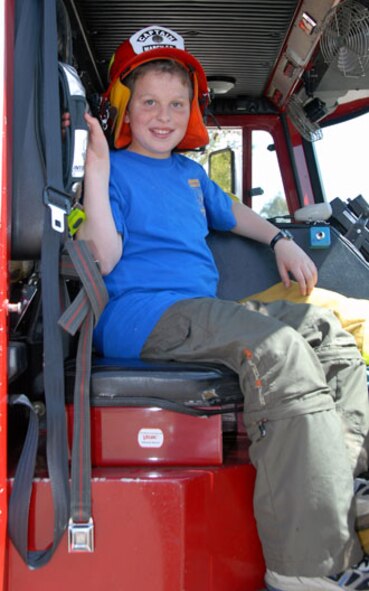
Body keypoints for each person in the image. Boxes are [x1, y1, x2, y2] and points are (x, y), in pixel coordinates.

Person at [78, 25, 369, 591]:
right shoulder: (111, 170)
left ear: (190, 111)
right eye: (149, 102)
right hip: (144, 318)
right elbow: (104, 257)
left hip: (200, 311)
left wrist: (280, 241)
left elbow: (235, 214)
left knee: (328, 335)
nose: (163, 115)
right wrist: (94, 165)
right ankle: (308, 570)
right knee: (277, 352)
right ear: (124, 107)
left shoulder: (190, 174)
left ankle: (346, 484)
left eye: (176, 103)